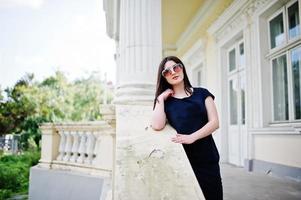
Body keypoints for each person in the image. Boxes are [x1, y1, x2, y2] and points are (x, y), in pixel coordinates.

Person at [151, 56, 223, 200]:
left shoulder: (202, 93)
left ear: (182, 68)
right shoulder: (167, 103)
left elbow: (215, 122)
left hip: (207, 159)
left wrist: (192, 137)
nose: (173, 72)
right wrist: (160, 99)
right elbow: (157, 125)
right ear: (164, 77)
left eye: (176, 67)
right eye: (167, 71)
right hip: (183, 161)